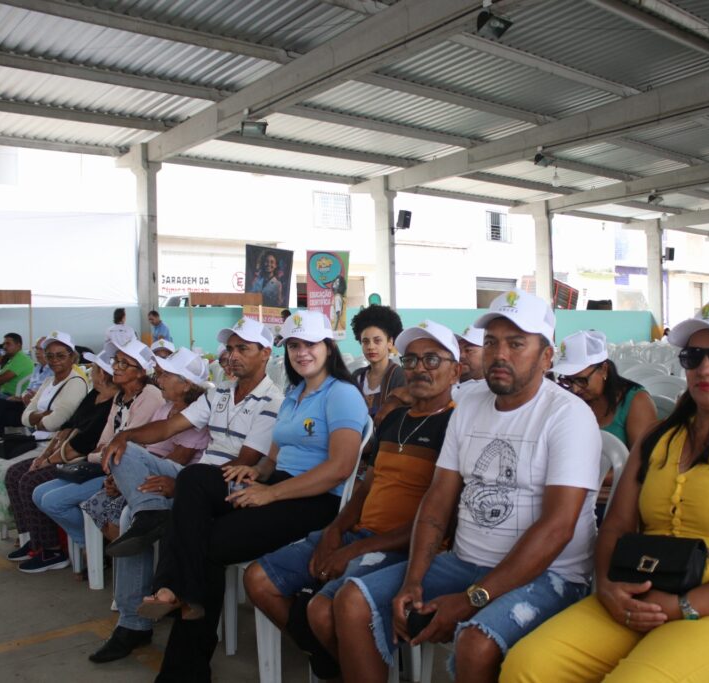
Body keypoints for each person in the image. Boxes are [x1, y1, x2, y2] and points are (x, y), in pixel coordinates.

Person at [500, 300, 709, 683]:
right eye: (693, 357)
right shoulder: (658, 438)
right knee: (526, 666)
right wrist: (608, 588)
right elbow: (616, 526)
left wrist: (683, 605)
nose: (705, 368)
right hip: (640, 593)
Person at [333, 289, 601, 682]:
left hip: (549, 573)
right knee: (352, 601)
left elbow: (557, 528)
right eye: (491, 342)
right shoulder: (470, 405)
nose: (499, 354)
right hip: (462, 562)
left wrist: (472, 599)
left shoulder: (567, 416)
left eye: (516, 343)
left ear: (547, 357)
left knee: (475, 643)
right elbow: (438, 500)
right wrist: (413, 579)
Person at [137, 311, 368, 682]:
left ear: (329, 347)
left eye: (310, 343)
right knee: (194, 478)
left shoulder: (341, 394)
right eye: (294, 345)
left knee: (204, 543)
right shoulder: (295, 395)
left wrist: (271, 493)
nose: (302, 352)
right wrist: (257, 473)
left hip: (316, 499)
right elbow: (274, 456)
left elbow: (340, 468)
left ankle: (183, 647)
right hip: (279, 483)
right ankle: (184, 598)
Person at [245, 320, 460, 679]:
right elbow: (366, 486)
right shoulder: (394, 420)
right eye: (410, 360)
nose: (419, 369)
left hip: (410, 546)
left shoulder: (457, 426)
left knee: (322, 610)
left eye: (433, 360)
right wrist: (335, 531)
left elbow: (441, 520)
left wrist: (356, 549)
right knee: (258, 579)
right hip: (360, 532)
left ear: (456, 370)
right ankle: (341, 665)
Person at [89, 319, 283, 663]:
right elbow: (169, 427)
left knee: (132, 515)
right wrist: (125, 435)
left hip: (228, 485)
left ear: (265, 353)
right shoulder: (219, 393)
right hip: (195, 477)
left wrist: (181, 487)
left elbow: (245, 462)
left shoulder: (272, 400)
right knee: (125, 452)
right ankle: (151, 513)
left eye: (243, 348)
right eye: (231, 348)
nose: (233, 356)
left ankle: (133, 623)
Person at [4, 340, 162, 573]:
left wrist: (99, 454)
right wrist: (100, 453)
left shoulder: (150, 396)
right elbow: (103, 442)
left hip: (122, 470)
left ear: (140, 371)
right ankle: (89, 544)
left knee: (53, 500)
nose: (115, 367)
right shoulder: (120, 397)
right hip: (105, 466)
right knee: (39, 492)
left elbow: (125, 445)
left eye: (123, 363)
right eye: (115, 361)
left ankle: (92, 548)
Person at [0, 334, 91, 524]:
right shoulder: (49, 381)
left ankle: (27, 531)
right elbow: (25, 417)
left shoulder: (75, 382)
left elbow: (54, 422)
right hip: (35, 440)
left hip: (52, 445)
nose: (54, 360)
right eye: (50, 355)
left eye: (61, 355)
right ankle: (23, 529)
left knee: (2, 473)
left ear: (72, 357)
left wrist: (37, 417)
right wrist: (41, 416)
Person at [549, 330, 658, 520]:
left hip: (614, 502)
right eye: (568, 380)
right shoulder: (569, 401)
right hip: (568, 494)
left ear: (604, 369)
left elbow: (644, 465)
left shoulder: (636, 402)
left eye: (581, 380)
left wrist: (582, 477)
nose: (575, 388)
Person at [0, 337, 54, 455]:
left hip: (37, 407)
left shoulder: (52, 369)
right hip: (24, 402)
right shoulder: (37, 367)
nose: (37, 352)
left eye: (40, 349)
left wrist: (32, 397)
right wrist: (20, 397)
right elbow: (28, 389)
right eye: (36, 349)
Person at [350, 304, 406, 421]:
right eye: (365, 342)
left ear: (390, 342)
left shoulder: (399, 375)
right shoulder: (357, 376)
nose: (371, 346)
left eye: (377, 341)